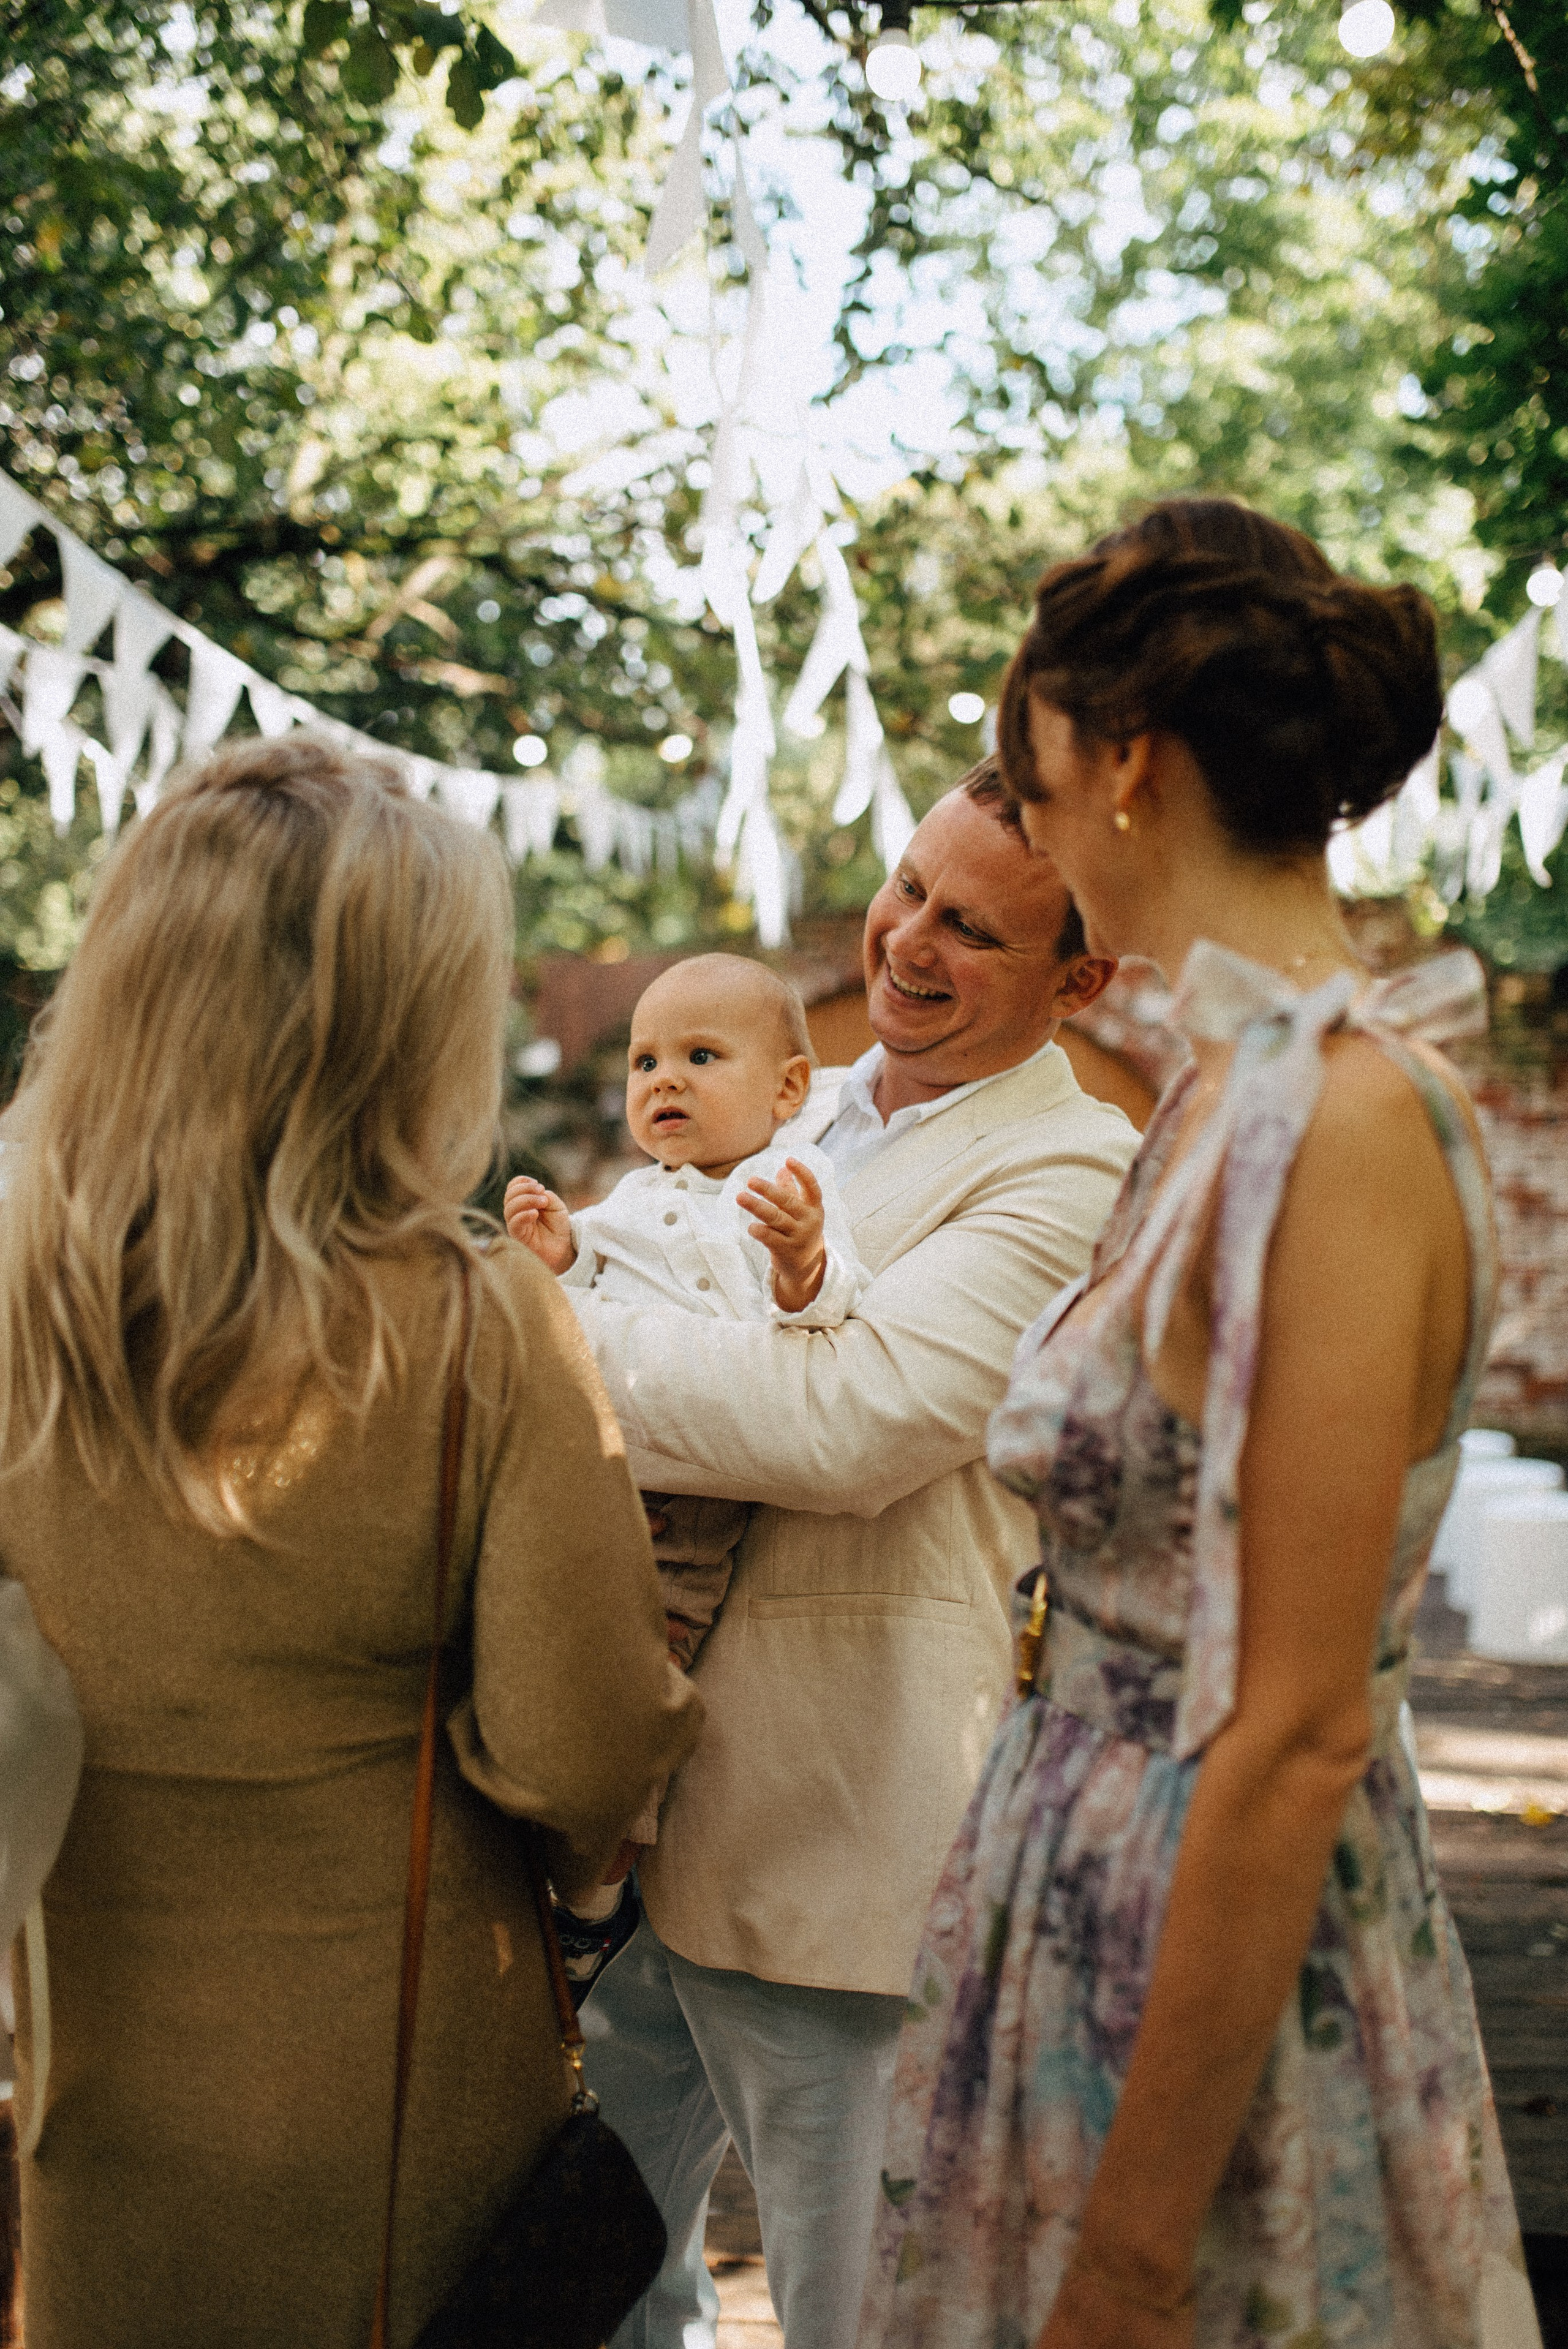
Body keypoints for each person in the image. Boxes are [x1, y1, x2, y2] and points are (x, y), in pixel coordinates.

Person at [858, 500, 1544, 2349]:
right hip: (1077, 1907)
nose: (1028, 815)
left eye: (1032, 769)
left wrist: (1132, 2255)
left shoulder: (1338, 1118)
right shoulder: (1217, 1077)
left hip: (1205, 1990)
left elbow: (1301, 1729)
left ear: (1127, 766)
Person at [0, 735, 698, 2349]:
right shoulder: (472, 1322)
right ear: (403, 1020)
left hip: (90, 2077)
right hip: (399, 2103)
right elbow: (585, 1746)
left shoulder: (20, 1301)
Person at [566, 761, 1141, 2349]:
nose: (907, 941)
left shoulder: (1073, 1169)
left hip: (845, 1853)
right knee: (582, 2283)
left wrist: (546, 1346)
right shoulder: (785, 1102)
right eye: (908, 888)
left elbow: (846, 1422)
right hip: (638, 1834)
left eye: (975, 929)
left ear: (1081, 980)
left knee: (855, 2316)